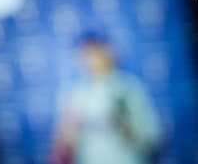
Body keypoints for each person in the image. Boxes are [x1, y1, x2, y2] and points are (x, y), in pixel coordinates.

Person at [49, 33, 162, 164]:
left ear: (109, 52)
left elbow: (151, 140)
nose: (90, 61)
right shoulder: (75, 95)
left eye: (94, 53)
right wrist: (68, 136)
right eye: (85, 55)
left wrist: (124, 125)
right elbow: (64, 146)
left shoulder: (128, 89)